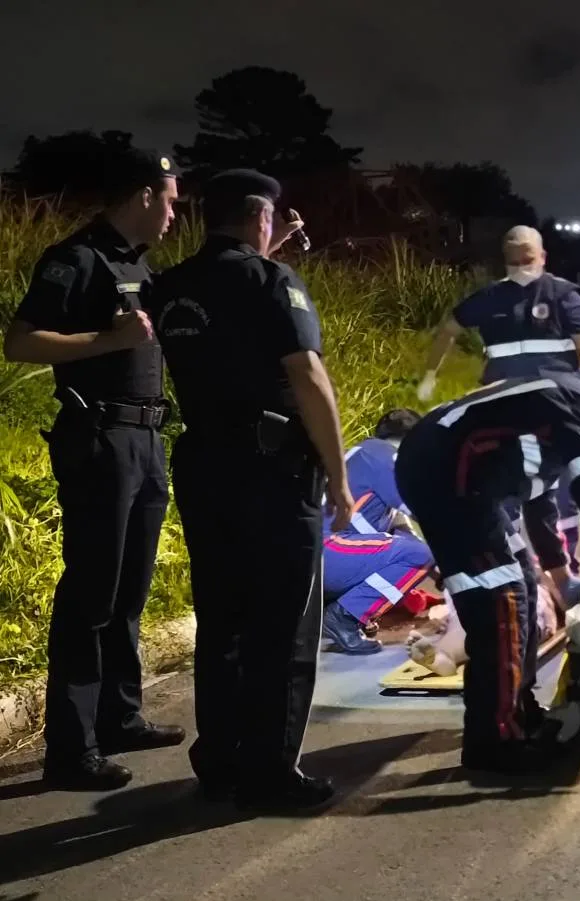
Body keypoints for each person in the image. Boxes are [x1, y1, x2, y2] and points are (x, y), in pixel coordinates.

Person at [145, 168, 353, 812]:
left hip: (204, 464)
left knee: (223, 619)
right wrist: (339, 475)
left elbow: (224, 321)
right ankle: (270, 772)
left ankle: (221, 758)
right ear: (262, 217)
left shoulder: (170, 286)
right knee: (283, 624)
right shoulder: (272, 281)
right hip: (274, 469)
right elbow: (307, 375)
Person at [3, 148, 185, 791]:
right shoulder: (76, 259)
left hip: (145, 438)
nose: (174, 213)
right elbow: (20, 341)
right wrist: (108, 341)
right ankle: (71, 749)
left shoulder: (137, 263)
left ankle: (119, 717)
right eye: (170, 199)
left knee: (130, 588)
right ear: (143, 195)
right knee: (92, 593)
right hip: (100, 436)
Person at [395, 360, 580, 774]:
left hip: (451, 473)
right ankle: (494, 743)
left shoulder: (557, 398)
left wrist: (561, 577)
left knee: (525, 582)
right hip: (452, 479)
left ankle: (518, 709)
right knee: (502, 604)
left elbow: (541, 502)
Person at [416, 224, 580, 576]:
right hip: (501, 406)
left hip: (552, 404)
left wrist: (578, 379)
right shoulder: (490, 298)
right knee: (504, 488)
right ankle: (517, 573)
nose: (521, 267)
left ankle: (566, 573)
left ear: (543, 257)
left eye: (527, 260)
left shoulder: (562, 296)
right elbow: (448, 329)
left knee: (554, 492)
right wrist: (430, 374)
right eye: (514, 261)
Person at [322, 408, 437, 655]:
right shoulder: (386, 457)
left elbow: (401, 526)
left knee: (414, 550)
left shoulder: (366, 455)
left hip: (323, 553)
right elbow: (429, 512)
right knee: (420, 554)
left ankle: (344, 608)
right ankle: (344, 616)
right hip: (330, 552)